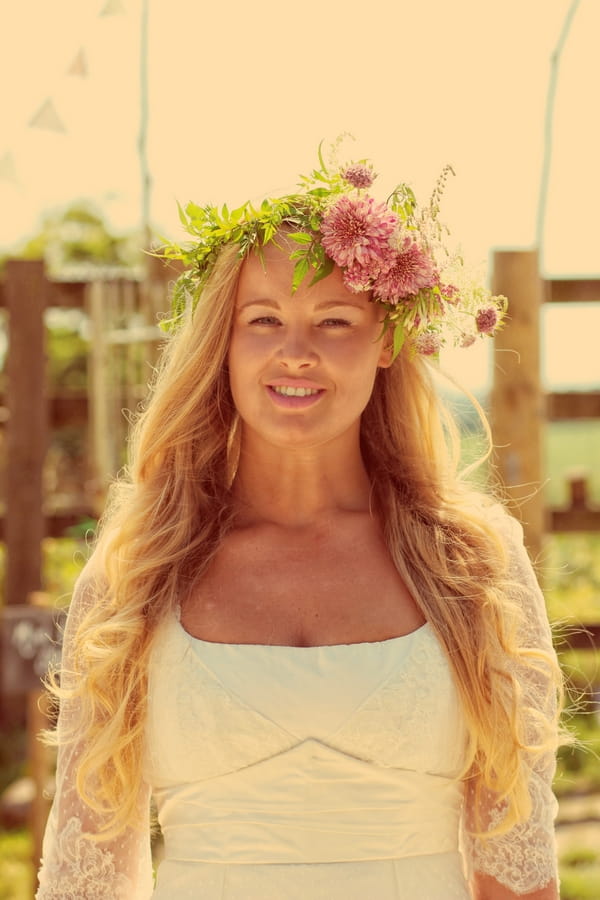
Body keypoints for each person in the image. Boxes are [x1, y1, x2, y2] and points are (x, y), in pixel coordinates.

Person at [36, 144, 563, 899]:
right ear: (224, 341)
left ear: (387, 341)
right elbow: (85, 881)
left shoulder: (474, 563)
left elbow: (518, 872)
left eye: (334, 320)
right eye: (264, 319)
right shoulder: (136, 571)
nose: (296, 353)